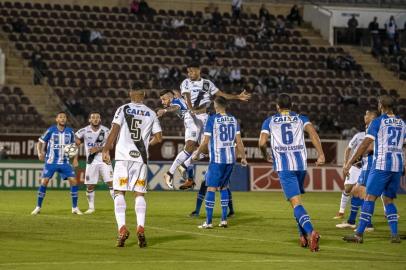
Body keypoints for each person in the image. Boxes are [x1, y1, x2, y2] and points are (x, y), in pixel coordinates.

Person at [163, 62, 251, 190]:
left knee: (206, 149)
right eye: (188, 72)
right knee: (190, 145)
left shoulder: (207, 83)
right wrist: (191, 109)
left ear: (199, 70)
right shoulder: (186, 83)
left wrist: (237, 96)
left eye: (192, 71)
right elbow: (187, 97)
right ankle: (170, 173)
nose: (190, 74)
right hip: (192, 117)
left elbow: (221, 95)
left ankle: (186, 168)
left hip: (205, 117)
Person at [258, 94, 325, 252]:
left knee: (296, 204)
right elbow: (313, 134)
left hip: (284, 166)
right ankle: (303, 236)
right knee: (296, 202)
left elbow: (261, 142)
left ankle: (311, 232)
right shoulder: (301, 118)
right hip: (301, 165)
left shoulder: (270, 121)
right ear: (291, 105)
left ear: (277, 106)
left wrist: (264, 154)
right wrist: (321, 154)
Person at [102, 85, 163, 248]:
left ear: (130, 94)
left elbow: (114, 130)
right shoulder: (151, 113)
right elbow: (159, 137)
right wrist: (146, 145)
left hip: (123, 157)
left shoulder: (123, 109)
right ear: (143, 95)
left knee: (119, 191)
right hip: (141, 158)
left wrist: (106, 149)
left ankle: (122, 229)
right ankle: (140, 227)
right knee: (139, 194)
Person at [343, 95, 405, 243]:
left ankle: (359, 234)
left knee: (369, 197)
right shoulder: (402, 123)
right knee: (388, 200)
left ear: (381, 106)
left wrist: (351, 162)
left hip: (382, 165)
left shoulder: (378, 122)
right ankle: (394, 235)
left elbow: (365, 144)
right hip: (397, 166)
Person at [192, 96, 247, 228]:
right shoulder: (234, 120)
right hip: (230, 160)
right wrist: (243, 157)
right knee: (224, 187)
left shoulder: (212, 120)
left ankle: (209, 222)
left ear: (216, 106)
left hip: (217, 160)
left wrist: (197, 153)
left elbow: (205, 141)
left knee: (211, 188)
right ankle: (223, 220)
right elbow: (238, 141)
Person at [31, 112, 82, 215]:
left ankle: (75, 207)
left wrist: (75, 159)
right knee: (44, 181)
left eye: (64, 117)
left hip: (65, 162)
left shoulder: (70, 131)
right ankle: (38, 207)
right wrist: (40, 152)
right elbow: (40, 142)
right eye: (60, 117)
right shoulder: (51, 130)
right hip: (51, 162)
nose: (62, 119)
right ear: (57, 119)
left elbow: (75, 145)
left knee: (74, 181)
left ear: (66, 119)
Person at [336, 110, 377, 230]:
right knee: (357, 191)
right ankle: (352, 221)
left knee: (364, 193)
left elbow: (369, 148)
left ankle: (367, 224)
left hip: (370, 163)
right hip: (367, 164)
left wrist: (356, 157)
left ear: (373, 117)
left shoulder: (374, 129)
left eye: (368, 114)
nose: (365, 116)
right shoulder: (367, 130)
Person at [75, 112, 114, 214]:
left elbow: (111, 146)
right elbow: (75, 138)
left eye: (97, 117)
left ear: (100, 119)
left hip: (105, 160)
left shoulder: (106, 130)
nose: (95, 119)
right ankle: (91, 208)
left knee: (111, 183)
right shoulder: (84, 130)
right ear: (89, 120)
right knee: (90, 186)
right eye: (93, 118)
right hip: (91, 161)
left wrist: (98, 148)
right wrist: (77, 141)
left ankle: (118, 206)